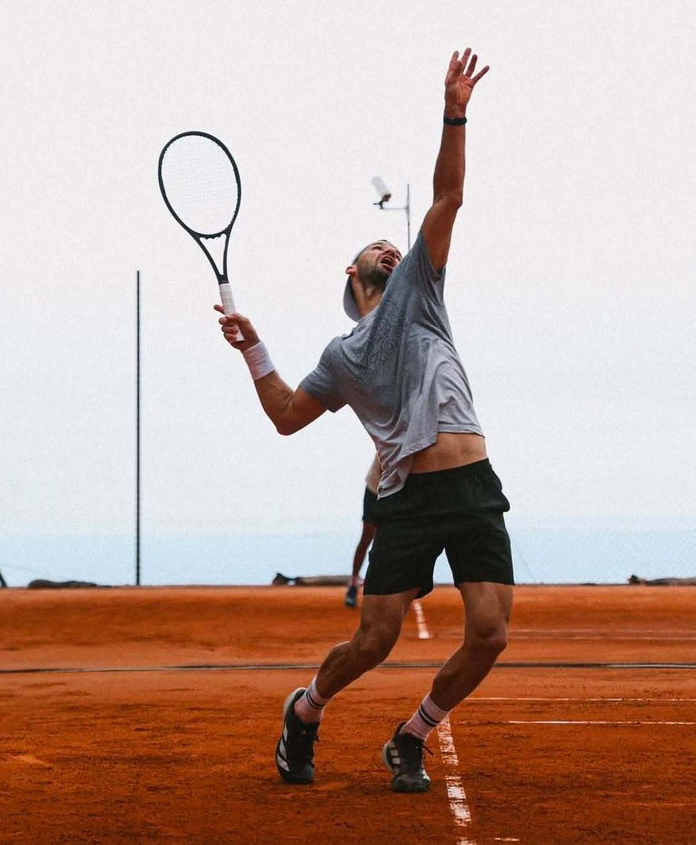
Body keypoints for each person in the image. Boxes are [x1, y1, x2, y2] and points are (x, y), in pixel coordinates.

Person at [216, 48, 513, 794]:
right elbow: (287, 415)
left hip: (471, 481)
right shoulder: (341, 355)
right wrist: (254, 350)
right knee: (374, 639)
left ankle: (411, 736)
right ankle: (305, 710)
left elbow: (449, 196)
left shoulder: (420, 287)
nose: (390, 247)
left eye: (393, 246)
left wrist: (454, 113)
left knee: (489, 633)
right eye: (374, 247)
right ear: (353, 274)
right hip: (407, 498)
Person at [344, 455, 381, 608]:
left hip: (394, 492)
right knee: (367, 536)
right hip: (374, 490)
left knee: (388, 541)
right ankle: (353, 583)